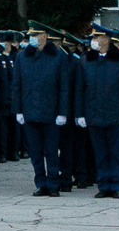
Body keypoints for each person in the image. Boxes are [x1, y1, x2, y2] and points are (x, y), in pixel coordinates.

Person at [10, 28, 75, 197]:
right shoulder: (22, 56)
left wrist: (62, 112)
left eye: (36, 35)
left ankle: (53, 183)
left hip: (51, 112)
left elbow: (64, 87)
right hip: (30, 111)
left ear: (45, 37)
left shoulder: (58, 56)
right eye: (31, 36)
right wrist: (18, 110)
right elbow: (17, 85)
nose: (32, 39)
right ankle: (40, 183)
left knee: (52, 151)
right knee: (35, 152)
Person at [74, 29, 119, 198]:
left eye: (96, 37)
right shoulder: (86, 61)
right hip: (94, 114)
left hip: (114, 114)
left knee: (116, 153)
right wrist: (80, 114)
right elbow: (79, 89)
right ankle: (104, 185)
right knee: (100, 153)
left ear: (106, 40)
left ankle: (117, 185)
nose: (94, 40)